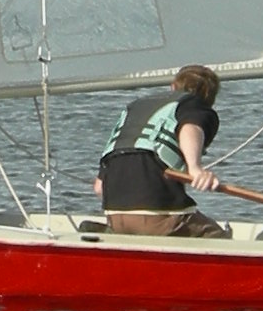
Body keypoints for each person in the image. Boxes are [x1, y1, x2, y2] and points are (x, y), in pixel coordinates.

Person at [96, 63, 228, 237]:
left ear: (172, 86)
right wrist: (195, 169)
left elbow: (99, 188)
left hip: (114, 215)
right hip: (158, 216)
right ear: (210, 98)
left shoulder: (135, 107)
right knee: (217, 236)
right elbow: (190, 127)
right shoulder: (195, 105)